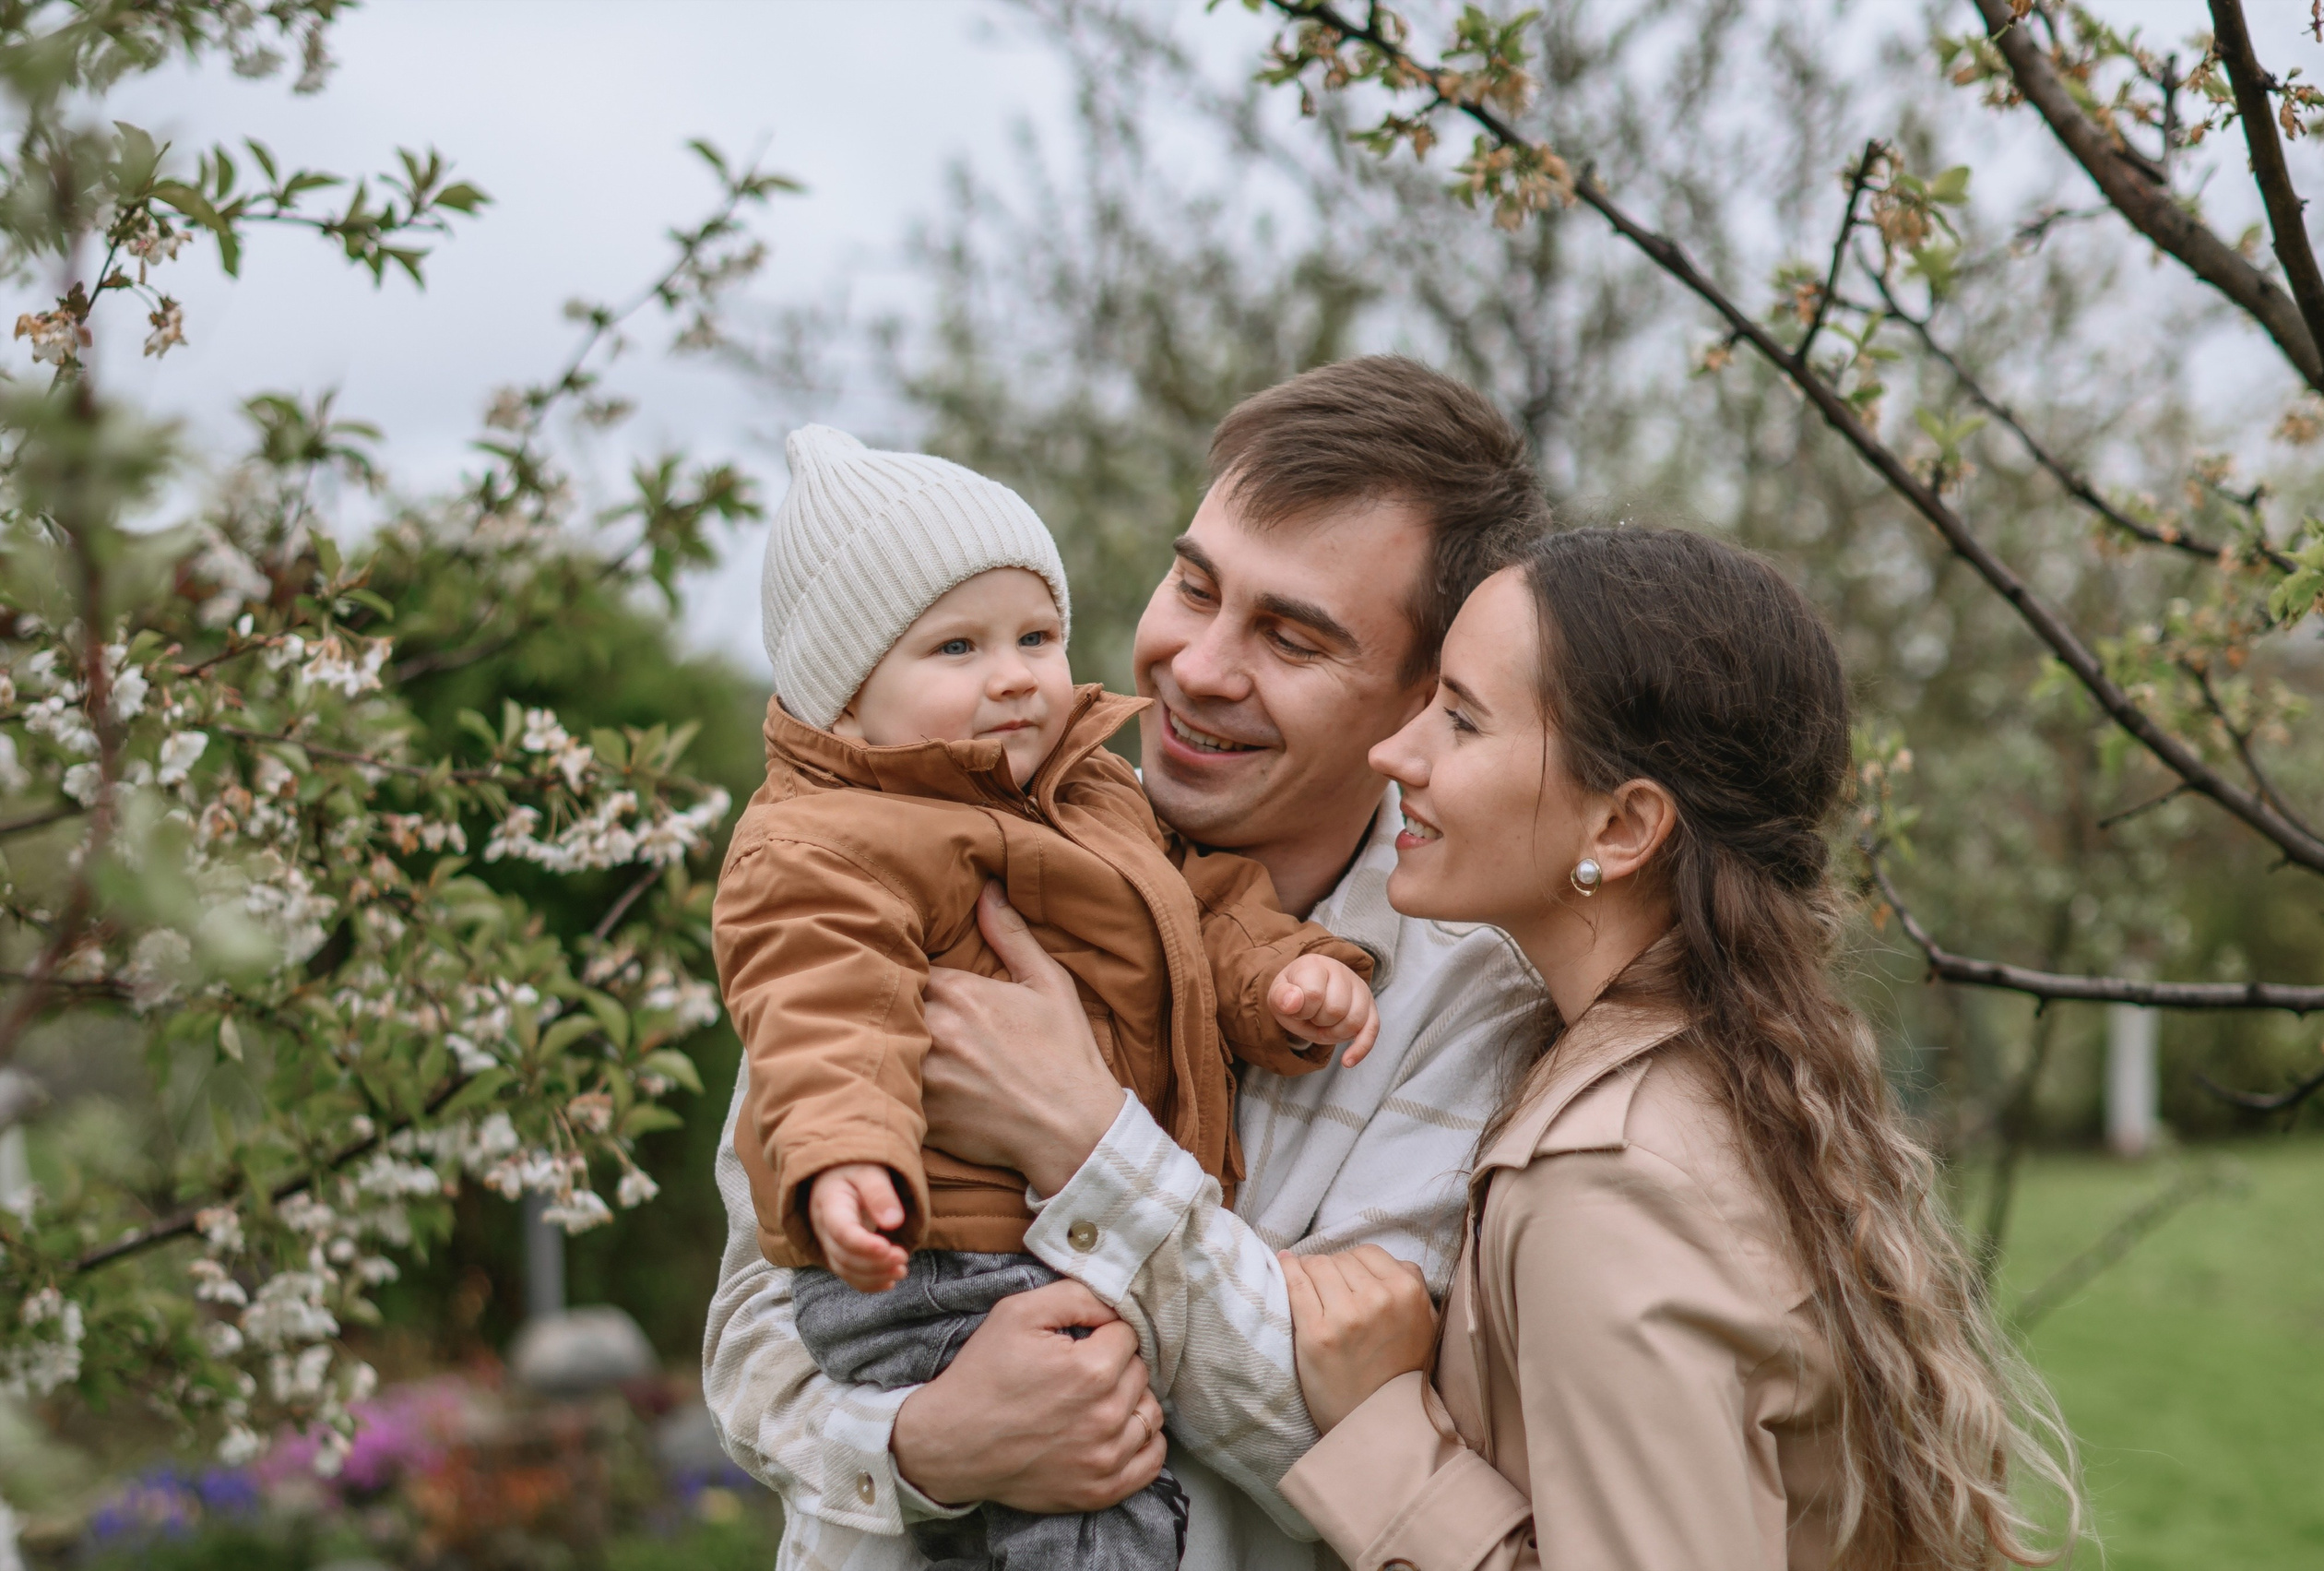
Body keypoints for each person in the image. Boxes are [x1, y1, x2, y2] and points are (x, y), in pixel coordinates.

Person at [702, 357, 1555, 1571]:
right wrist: (929, 1440)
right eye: (1194, 584)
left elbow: (1378, 1464)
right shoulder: (933, 855)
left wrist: (1083, 1136)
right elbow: (751, 1325)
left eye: (1292, 636)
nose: (1198, 666)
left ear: (1420, 696)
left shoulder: (1468, 1001)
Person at [1271, 528, 2082, 1569]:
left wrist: (1384, 1433)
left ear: (1621, 828)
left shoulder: (1608, 1177)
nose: (1397, 751)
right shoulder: (1708, 1068)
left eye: (1462, 719)